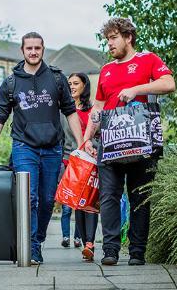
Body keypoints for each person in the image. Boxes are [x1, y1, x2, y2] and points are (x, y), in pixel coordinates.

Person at [83, 18, 175, 266]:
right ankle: (110, 251)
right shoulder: (106, 70)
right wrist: (87, 136)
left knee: (139, 198)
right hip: (110, 141)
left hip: (142, 141)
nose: (109, 44)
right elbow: (99, 107)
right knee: (109, 197)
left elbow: (169, 83)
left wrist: (137, 89)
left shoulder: (148, 60)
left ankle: (137, 252)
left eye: (113, 38)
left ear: (128, 37)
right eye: (107, 39)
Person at [0, 32, 83, 265]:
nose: (33, 52)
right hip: (24, 147)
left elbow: (70, 112)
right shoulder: (11, 83)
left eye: (37, 48)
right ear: (22, 51)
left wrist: (81, 144)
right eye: (28, 48)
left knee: (48, 199)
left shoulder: (57, 79)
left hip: (52, 148)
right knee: (29, 197)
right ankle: (30, 245)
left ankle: (37, 240)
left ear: (43, 49)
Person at [63, 73, 99, 261]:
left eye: (76, 83)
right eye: (69, 84)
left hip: (90, 161)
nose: (72, 86)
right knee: (78, 205)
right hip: (71, 163)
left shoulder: (92, 109)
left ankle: (90, 244)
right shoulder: (65, 111)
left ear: (85, 86)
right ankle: (87, 245)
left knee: (89, 203)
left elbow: (98, 133)